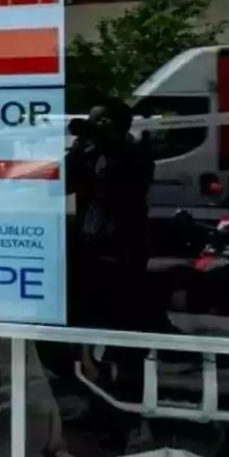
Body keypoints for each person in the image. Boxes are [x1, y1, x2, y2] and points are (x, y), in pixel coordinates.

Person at [65, 98, 156, 330]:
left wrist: (102, 144)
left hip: (121, 247)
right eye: (91, 121)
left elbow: (122, 191)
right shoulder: (88, 152)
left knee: (120, 315)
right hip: (89, 244)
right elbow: (61, 185)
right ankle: (86, 361)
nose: (92, 126)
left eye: (99, 121)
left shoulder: (135, 154)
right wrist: (79, 154)